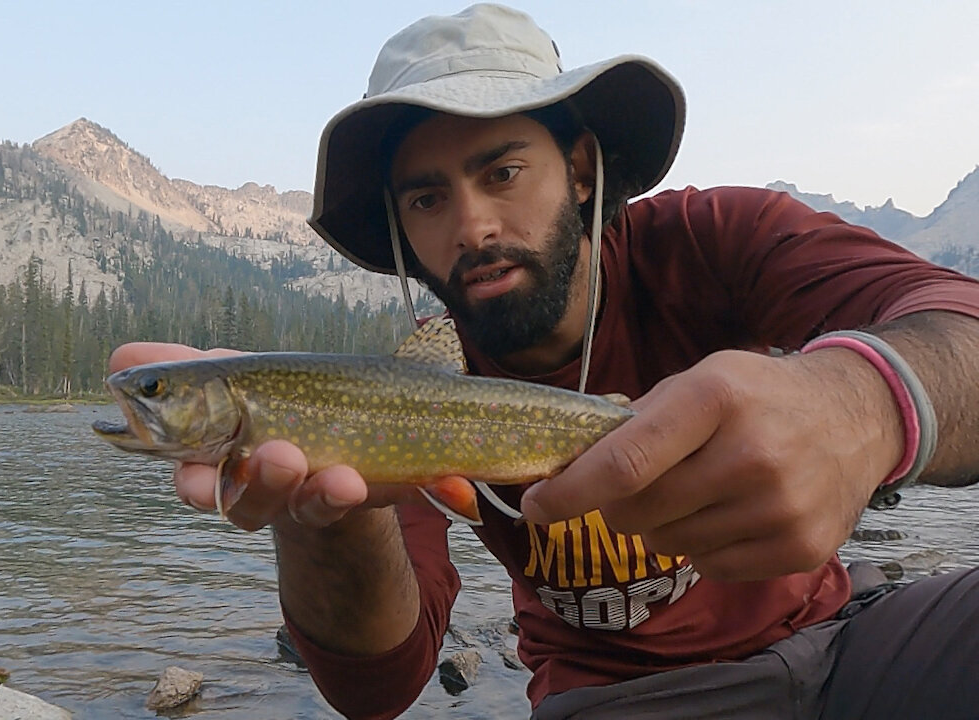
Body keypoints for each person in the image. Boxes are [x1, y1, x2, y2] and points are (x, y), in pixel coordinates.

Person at [109, 5, 979, 718]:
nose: (475, 225)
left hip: (848, 639)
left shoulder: (719, 240)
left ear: (582, 169)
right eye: (427, 197)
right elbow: (377, 687)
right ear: (401, 230)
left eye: (504, 171)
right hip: (612, 699)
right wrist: (321, 515)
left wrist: (864, 405)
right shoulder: (405, 397)